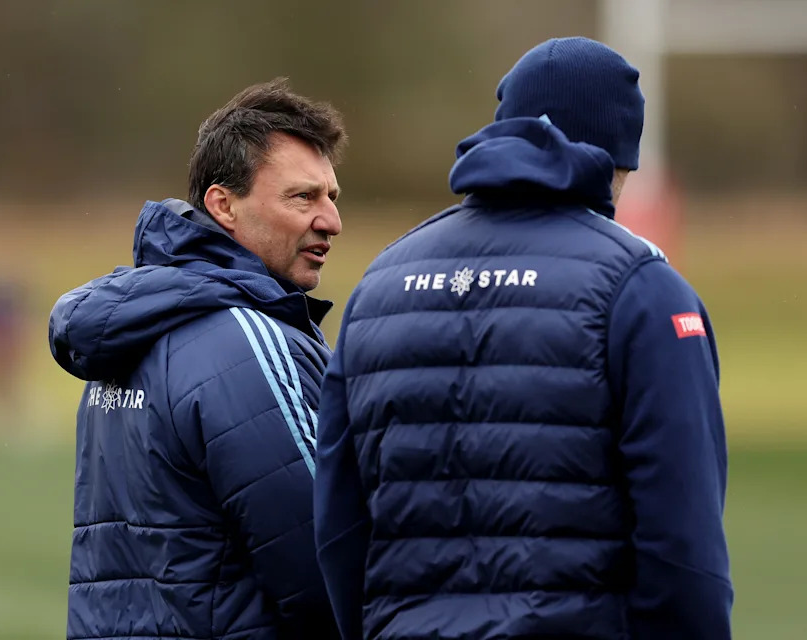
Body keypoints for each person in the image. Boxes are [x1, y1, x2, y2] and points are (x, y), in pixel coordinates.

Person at [313, 37, 733, 640]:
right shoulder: (642, 287)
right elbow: (683, 545)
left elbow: (340, 525)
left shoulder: (380, 283)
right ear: (621, 161)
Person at [49, 78, 345, 640]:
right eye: (303, 197)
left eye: (332, 196)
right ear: (223, 204)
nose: (330, 220)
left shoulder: (129, 332)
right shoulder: (246, 342)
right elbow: (324, 564)